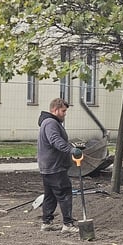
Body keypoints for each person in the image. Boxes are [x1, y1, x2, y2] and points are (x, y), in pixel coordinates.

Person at [37, 98, 82, 233]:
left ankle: (47, 222)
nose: (64, 113)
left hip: (47, 166)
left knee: (50, 195)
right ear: (55, 110)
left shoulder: (48, 122)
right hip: (55, 166)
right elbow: (55, 140)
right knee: (64, 193)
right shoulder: (51, 123)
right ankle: (68, 224)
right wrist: (71, 150)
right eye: (63, 111)